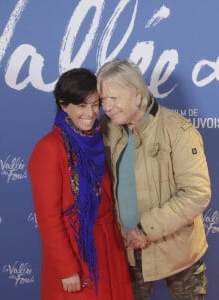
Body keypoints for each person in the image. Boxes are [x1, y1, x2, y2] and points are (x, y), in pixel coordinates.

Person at [96, 58, 211, 300]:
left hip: (179, 252)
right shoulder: (107, 129)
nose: (107, 107)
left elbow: (197, 193)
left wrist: (145, 228)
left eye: (114, 99)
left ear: (137, 95)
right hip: (127, 249)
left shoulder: (179, 131)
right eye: (103, 100)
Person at [28, 68, 134, 300]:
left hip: (109, 244)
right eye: (81, 106)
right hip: (78, 251)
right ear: (63, 104)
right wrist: (67, 268)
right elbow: (48, 219)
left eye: (95, 104)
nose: (91, 113)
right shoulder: (49, 148)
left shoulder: (98, 138)